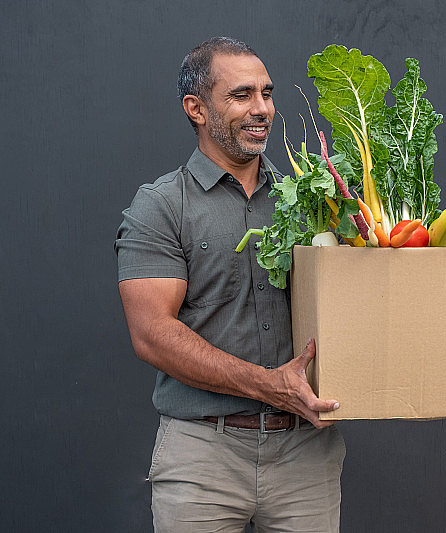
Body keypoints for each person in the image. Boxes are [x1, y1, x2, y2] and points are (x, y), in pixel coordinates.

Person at [115, 36, 345, 532]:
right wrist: (269, 385)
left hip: (305, 454)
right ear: (196, 108)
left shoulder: (308, 202)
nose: (261, 108)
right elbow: (151, 333)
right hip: (203, 456)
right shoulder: (161, 207)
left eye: (267, 92)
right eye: (241, 95)